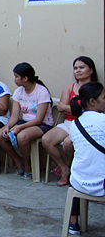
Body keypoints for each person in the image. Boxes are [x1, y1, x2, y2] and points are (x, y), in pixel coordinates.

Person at [42, 56, 98, 187]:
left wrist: (71, 108)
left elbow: (95, 111)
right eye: (75, 68)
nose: (77, 71)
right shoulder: (69, 87)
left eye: (81, 67)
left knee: (68, 143)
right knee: (46, 139)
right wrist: (81, 109)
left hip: (86, 125)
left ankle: (70, 165)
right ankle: (64, 168)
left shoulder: (96, 89)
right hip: (68, 123)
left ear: (91, 70)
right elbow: (61, 108)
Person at [0, 62, 54, 178]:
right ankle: (18, 160)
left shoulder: (42, 92)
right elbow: (15, 116)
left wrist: (19, 127)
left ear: (25, 78)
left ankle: (28, 164)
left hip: (43, 124)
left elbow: (39, 119)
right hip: (25, 122)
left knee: (22, 136)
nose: (15, 79)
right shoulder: (19, 92)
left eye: (17, 76)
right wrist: (8, 127)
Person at [66, 81, 105, 235]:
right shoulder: (103, 120)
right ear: (92, 101)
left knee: (83, 166)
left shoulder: (75, 124)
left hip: (79, 181)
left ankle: (73, 222)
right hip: (101, 184)